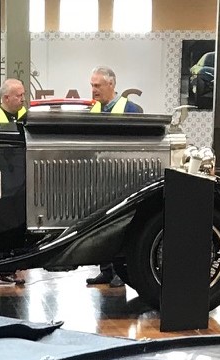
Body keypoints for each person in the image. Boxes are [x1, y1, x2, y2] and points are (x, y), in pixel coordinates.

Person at [85, 68, 141, 284]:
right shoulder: (93, 110)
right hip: (98, 178)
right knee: (100, 226)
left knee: (120, 225)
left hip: (122, 178)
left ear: (111, 85)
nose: (93, 90)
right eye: (92, 85)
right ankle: (106, 269)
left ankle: (121, 272)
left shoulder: (131, 109)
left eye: (97, 85)